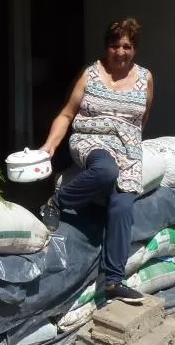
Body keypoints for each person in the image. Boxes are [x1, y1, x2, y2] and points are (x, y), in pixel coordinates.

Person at [38, 18, 154, 305]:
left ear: (135, 49)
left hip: (127, 147)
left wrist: (132, 147)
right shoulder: (91, 74)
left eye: (127, 46)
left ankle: (114, 281)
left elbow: (142, 119)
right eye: (115, 45)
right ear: (107, 47)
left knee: (124, 204)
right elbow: (67, 114)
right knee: (105, 171)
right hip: (91, 139)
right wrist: (49, 146)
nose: (120, 52)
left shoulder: (145, 78)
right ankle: (56, 202)